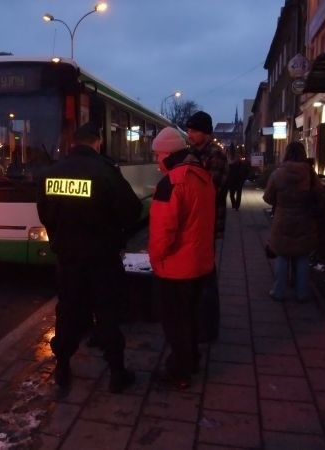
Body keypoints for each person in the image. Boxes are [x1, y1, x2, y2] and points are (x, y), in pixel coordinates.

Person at [36, 122, 142, 393]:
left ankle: (62, 368)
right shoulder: (105, 172)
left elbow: (44, 214)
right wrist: (116, 235)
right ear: (98, 143)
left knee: (68, 310)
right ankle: (117, 372)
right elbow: (132, 211)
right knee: (107, 311)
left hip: (68, 259)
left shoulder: (51, 173)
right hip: (102, 259)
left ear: (73, 143)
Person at [149, 127, 215, 389]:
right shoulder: (202, 176)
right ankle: (193, 359)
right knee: (191, 316)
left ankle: (179, 371)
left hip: (176, 268)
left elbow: (163, 232)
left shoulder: (171, 183)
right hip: (200, 263)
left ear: (168, 154)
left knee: (175, 322)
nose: (157, 161)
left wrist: (156, 259)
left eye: (158, 155)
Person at [263, 141, 323, 303]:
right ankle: (302, 292)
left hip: (283, 220)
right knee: (302, 257)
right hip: (305, 219)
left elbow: (268, 198)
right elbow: (319, 194)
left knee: (282, 255)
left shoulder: (278, 174)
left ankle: (278, 291)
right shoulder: (309, 174)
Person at [186, 111, 228, 342]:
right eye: (189, 130)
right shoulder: (195, 153)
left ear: (205, 132)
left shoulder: (215, 156)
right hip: (197, 223)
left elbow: (209, 192)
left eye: (193, 130)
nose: (189, 134)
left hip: (208, 224)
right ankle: (200, 321)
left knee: (207, 275)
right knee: (200, 275)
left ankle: (208, 326)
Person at [227, 145, 249, 211]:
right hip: (236, 179)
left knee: (233, 193)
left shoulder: (230, 161)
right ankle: (236, 205)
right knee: (236, 194)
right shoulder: (235, 161)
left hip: (234, 179)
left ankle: (235, 205)